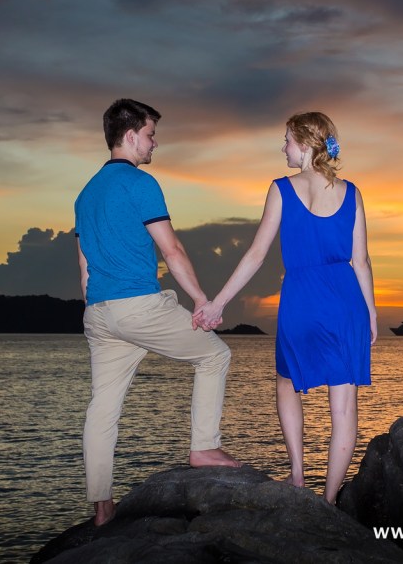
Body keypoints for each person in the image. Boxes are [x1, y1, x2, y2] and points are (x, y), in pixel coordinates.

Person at [194, 111, 376, 504]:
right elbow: (361, 261)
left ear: (307, 144)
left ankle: (297, 475)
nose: (283, 147)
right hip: (347, 303)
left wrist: (218, 303)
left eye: (288, 140)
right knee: (343, 404)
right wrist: (372, 315)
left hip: (301, 300)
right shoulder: (353, 192)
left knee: (286, 383)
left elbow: (256, 254)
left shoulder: (281, 188)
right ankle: (328, 501)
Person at [75, 98, 240, 527]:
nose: (154, 144)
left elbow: (84, 266)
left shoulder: (85, 193)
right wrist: (203, 300)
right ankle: (204, 446)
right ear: (130, 136)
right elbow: (172, 249)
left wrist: (97, 308)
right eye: (150, 135)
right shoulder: (139, 183)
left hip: (98, 311)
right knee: (214, 355)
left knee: (103, 407)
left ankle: (101, 508)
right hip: (137, 305)